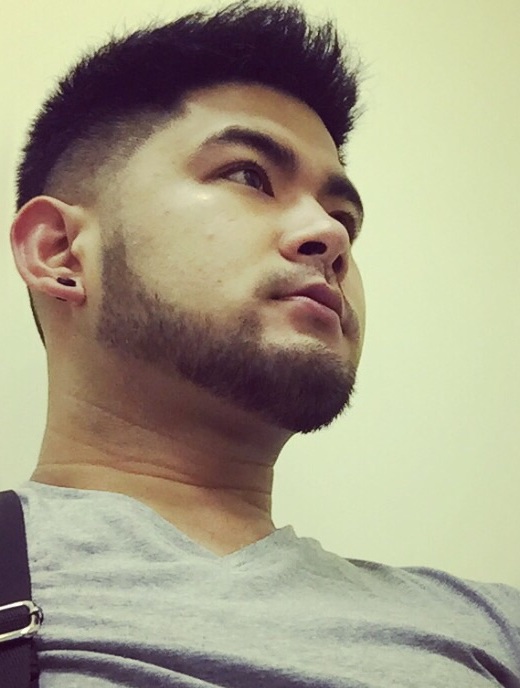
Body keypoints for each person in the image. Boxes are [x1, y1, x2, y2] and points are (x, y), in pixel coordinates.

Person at [7, 1, 520, 686]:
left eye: (343, 217)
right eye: (248, 175)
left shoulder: (490, 627)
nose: (329, 236)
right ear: (60, 252)